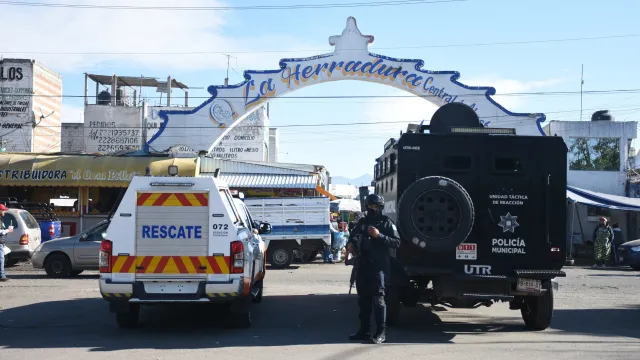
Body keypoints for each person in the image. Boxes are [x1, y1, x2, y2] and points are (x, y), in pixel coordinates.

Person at [345, 194, 400, 344]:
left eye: (375, 207)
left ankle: (381, 332)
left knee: (379, 299)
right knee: (363, 300)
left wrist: (379, 235)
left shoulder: (386, 223)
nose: (372, 209)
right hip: (362, 265)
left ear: (380, 207)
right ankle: (364, 330)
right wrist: (349, 244)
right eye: (370, 206)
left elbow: (396, 242)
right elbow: (352, 236)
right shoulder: (362, 222)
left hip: (378, 267)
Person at [0, 204, 15, 282]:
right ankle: (1, 276)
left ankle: (2, 274)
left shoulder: (1, 219)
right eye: (3, 210)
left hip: (1, 242)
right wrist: (8, 230)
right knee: (1, 259)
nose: (4, 212)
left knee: (1, 259)